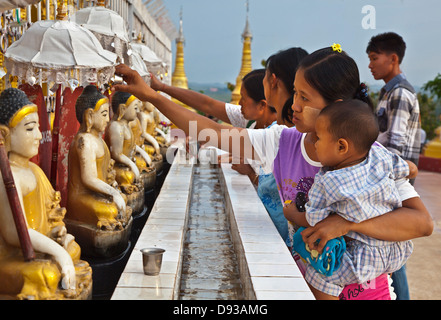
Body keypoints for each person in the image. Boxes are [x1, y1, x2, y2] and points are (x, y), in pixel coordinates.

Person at [113, 45, 433, 300]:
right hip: (306, 281)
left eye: (305, 98)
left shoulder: (370, 157)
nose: (292, 104)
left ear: (334, 105)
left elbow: (421, 222)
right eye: (294, 92)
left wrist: (345, 222)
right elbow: (212, 131)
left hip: (367, 291)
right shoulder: (282, 141)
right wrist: (153, 97)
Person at [287, 100, 414, 299]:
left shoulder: (328, 181)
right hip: (397, 248)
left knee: (319, 274)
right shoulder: (379, 154)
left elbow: (315, 221)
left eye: (318, 138)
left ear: (341, 146)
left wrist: (292, 213)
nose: (314, 143)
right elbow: (407, 168)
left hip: (362, 258)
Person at [0, 88, 92, 299]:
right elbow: (14, 232)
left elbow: (51, 214)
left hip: (36, 249)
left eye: (38, 128)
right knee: (47, 275)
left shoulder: (35, 171)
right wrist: (58, 253)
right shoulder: (6, 176)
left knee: (74, 249)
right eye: (29, 129)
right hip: (11, 255)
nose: (38, 135)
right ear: (4, 135)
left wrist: (55, 233)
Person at [367, 31, 421, 300]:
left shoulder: (399, 94)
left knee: (391, 248)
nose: (370, 64)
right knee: (390, 245)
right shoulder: (388, 93)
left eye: (374, 58)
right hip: (389, 177)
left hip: (394, 179)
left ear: (393, 58)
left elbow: (395, 147)